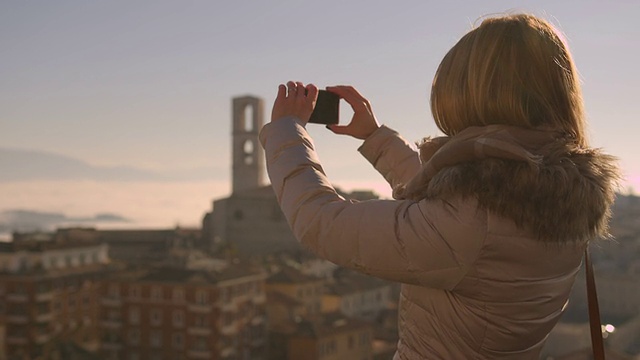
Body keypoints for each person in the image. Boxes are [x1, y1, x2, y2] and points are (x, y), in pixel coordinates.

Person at [259, 14, 619, 359]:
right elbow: (449, 203)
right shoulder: (552, 194)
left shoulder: (472, 222)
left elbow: (320, 221)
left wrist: (286, 132)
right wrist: (375, 136)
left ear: (469, 93)